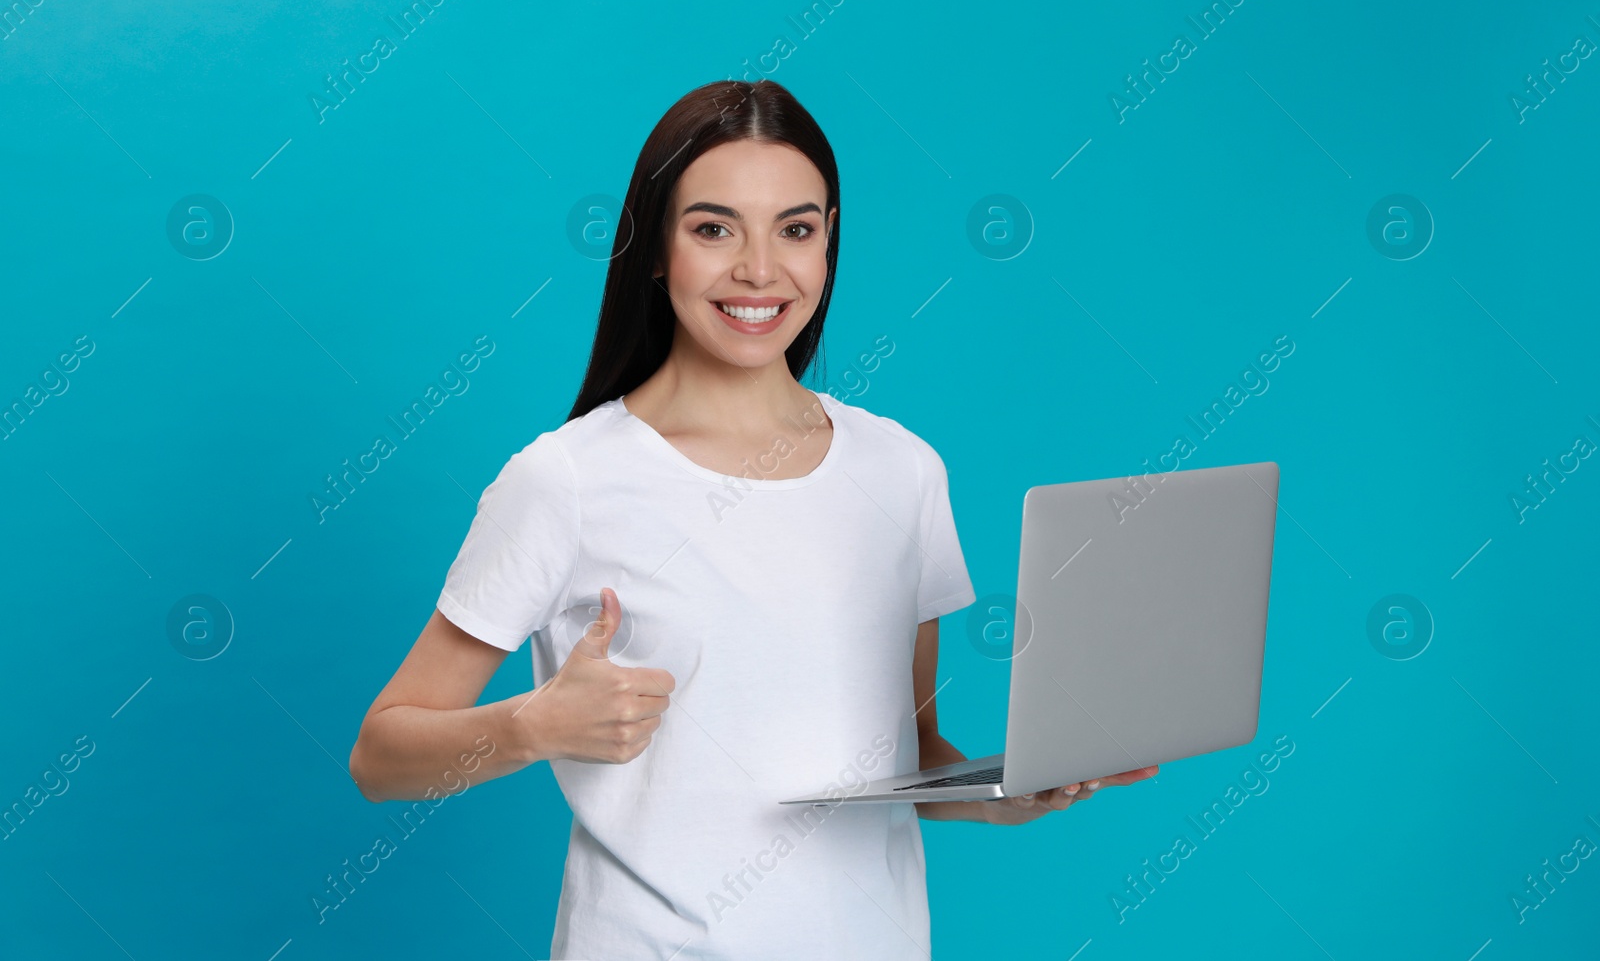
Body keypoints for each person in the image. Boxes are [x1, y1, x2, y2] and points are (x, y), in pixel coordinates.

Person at [347, 79, 1157, 958]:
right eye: (713, 228)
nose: (760, 270)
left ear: (829, 239)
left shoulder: (903, 468)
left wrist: (1012, 789)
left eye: (796, 229)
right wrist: (534, 723)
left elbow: (909, 759)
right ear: (655, 247)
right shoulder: (566, 479)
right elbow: (381, 756)